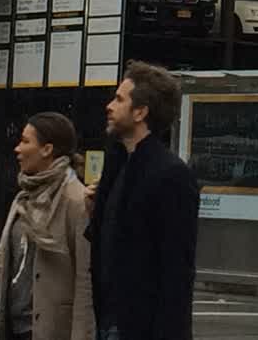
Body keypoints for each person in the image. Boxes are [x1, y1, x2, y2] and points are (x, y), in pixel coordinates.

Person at [0, 112, 94, 340]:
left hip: (51, 331)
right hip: (15, 330)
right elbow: (0, 262)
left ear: (47, 149)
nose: (17, 149)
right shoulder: (23, 200)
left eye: (25, 141)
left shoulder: (77, 202)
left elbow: (85, 281)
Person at [87, 62, 199, 340]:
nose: (109, 106)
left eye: (119, 99)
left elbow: (177, 273)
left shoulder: (171, 175)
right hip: (109, 319)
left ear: (141, 112)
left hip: (141, 326)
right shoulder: (119, 165)